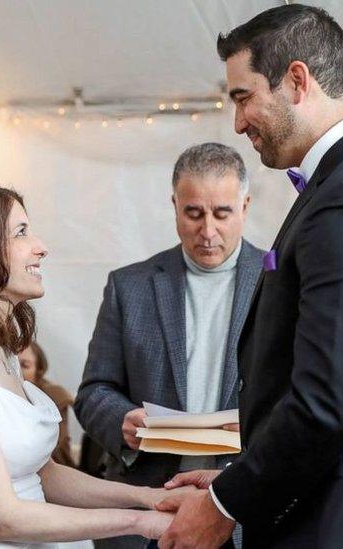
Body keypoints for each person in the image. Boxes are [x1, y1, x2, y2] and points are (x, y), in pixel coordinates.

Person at [157, 5, 343, 548]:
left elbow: (328, 401)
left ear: (296, 80)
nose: (238, 122)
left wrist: (225, 505)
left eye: (243, 97)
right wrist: (240, 479)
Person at [0, 175, 190, 548]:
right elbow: (4, 519)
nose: (40, 247)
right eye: (21, 233)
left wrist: (149, 497)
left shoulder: (0, 354)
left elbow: (44, 475)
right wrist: (141, 522)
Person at [75, 142, 262, 548]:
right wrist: (121, 419)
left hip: (246, 509)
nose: (207, 231)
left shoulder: (281, 285)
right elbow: (92, 393)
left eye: (222, 213)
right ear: (174, 205)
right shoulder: (130, 286)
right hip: (147, 507)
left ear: (245, 206)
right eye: (193, 213)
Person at [20, 341, 79, 468]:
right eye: (12, 364)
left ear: (39, 370)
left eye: (24, 365)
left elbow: (58, 448)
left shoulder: (55, 397)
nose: (17, 371)